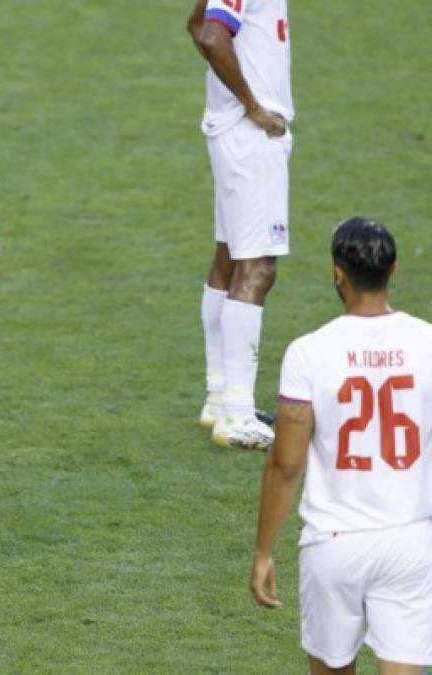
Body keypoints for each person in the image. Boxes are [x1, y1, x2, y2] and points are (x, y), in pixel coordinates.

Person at [250, 218, 432, 674]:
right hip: (409, 538)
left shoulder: (309, 352)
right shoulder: (427, 342)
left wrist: (263, 552)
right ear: (394, 271)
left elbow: (286, 465)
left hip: (334, 543)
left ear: (337, 273)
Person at [187, 0, 294, 450]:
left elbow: (196, 24)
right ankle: (237, 412)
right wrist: (252, 106)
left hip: (232, 133)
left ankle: (220, 398)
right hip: (250, 138)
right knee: (257, 267)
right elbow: (211, 35)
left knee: (229, 258)